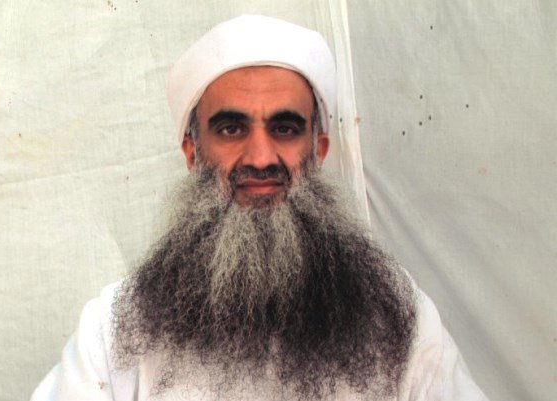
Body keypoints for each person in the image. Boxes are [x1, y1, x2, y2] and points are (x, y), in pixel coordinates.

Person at [31, 15, 488, 401]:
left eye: (284, 129)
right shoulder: (115, 330)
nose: (261, 157)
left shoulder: (397, 317)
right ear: (192, 154)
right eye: (231, 129)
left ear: (318, 150)